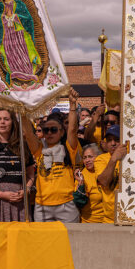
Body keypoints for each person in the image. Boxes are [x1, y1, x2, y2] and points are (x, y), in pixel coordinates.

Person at [26, 89, 81, 222]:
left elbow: (72, 129)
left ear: (61, 132)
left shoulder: (69, 147)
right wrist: (23, 111)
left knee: (70, 237)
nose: (49, 133)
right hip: (42, 206)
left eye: (54, 129)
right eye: (46, 130)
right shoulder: (39, 149)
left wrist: (72, 105)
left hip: (66, 205)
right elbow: (27, 132)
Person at [0, 0, 43, 84]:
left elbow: (28, 18)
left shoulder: (19, 4)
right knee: (10, 54)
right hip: (7, 35)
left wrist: (14, 16)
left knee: (22, 52)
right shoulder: (1, 7)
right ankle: (14, 74)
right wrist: (4, 17)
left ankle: (28, 73)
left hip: (19, 33)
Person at [95, 125, 124, 223]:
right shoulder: (100, 159)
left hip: (132, 216)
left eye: (117, 140)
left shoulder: (132, 157)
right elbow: (104, 182)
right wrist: (114, 159)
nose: (113, 143)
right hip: (110, 219)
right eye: (109, 140)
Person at [74, 144, 104, 223]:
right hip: (89, 222)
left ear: (99, 157)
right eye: (84, 158)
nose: (87, 160)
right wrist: (81, 183)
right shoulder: (81, 176)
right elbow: (79, 202)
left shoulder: (105, 171)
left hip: (109, 221)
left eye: (90, 157)